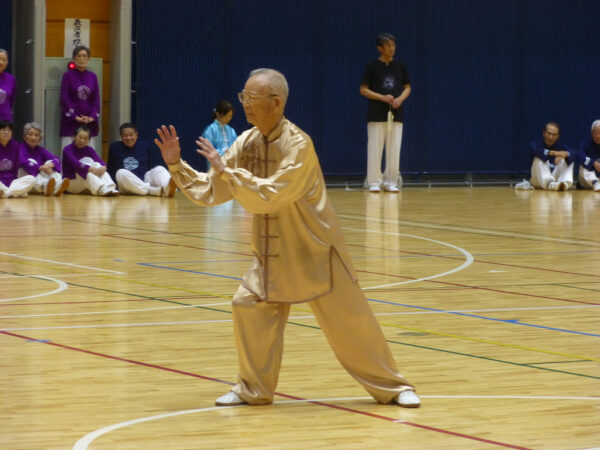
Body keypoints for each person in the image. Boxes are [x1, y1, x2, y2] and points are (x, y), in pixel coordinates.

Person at [154, 68, 421, 408]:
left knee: (351, 324)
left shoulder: (299, 144)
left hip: (317, 252)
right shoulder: (245, 142)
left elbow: (273, 193)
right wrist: (177, 165)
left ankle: (394, 387)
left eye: (252, 99)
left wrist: (228, 171)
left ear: (276, 102)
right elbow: (213, 189)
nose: (246, 105)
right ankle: (254, 389)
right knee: (247, 304)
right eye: (243, 97)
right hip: (270, 253)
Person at [360, 33, 411, 193]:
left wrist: (400, 99)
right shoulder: (372, 66)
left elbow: (407, 87)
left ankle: (391, 181)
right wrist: (382, 97)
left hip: (396, 113)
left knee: (394, 148)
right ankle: (374, 181)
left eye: (393, 45)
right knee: (375, 147)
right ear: (380, 48)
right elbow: (363, 90)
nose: (392, 48)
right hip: (376, 113)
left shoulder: (400, 66)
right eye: (388, 45)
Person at [107, 122, 176, 197]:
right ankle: (152, 191)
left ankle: (168, 187)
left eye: (131, 135)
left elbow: (150, 167)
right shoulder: (114, 147)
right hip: (126, 183)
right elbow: (110, 169)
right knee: (120, 173)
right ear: (121, 137)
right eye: (125, 136)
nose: (129, 138)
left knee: (159, 168)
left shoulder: (144, 146)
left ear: (136, 135)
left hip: (144, 180)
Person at [59, 46, 100, 150]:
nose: (82, 59)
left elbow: (96, 100)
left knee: (89, 156)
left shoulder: (93, 76)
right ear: (74, 58)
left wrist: (91, 117)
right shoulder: (67, 76)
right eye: (79, 56)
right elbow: (64, 98)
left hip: (88, 121)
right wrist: (75, 116)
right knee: (68, 153)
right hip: (71, 120)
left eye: (85, 56)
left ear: (88, 59)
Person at [62, 125, 119, 196]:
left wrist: (103, 167)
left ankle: (110, 187)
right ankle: (101, 189)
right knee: (87, 170)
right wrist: (91, 169)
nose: (82, 140)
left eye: (86, 138)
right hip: (70, 181)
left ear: (89, 140)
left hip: (83, 181)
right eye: (80, 137)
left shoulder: (89, 149)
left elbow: (100, 161)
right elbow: (76, 164)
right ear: (74, 137)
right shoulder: (67, 149)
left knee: (98, 165)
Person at [18, 122, 70, 196]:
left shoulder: (40, 150)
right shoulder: (19, 148)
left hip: (39, 181)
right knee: (32, 162)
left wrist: (49, 165)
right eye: (30, 134)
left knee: (51, 163)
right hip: (25, 180)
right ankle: (47, 186)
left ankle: (58, 187)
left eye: (37, 135)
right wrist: (40, 167)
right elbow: (22, 161)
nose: (33, 137)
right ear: (24, 136)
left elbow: (57, 159)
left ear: (40, 138)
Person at [527, 122, 575, 191]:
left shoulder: (560, 146)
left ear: (558, 136)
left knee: (569, 158)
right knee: (538, 158)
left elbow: (574, 153)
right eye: (549, 133)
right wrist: (554, 153)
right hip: (538, 180)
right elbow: (535, 150)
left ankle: (564, 183)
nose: (551, 137)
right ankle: (550, 184)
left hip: (554, 179)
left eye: (554, 135)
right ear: (544, 133)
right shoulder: (535, 144)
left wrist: (565, 155)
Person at [0, 121, 35, 198]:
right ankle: (15, 192)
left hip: (12, 182)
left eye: (9, 130)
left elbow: (17, 166)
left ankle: (5, 193)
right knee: (23, 193)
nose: (6, 132)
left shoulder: (15, 146)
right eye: (3, 129)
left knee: (31, 179)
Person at [577, 120, 600, 192]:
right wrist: (593, 162)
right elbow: (579, 156)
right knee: (583, 166)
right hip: (587, 180)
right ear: (591, 132)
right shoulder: (585, 144)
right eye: (595, 133)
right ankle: (595, 183)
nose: (597, 136)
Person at [0, 49, 15, 122]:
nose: (1, 62)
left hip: (6, 120)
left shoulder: (11, 79)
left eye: (4, 60)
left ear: (7, 62)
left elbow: (11, 101)